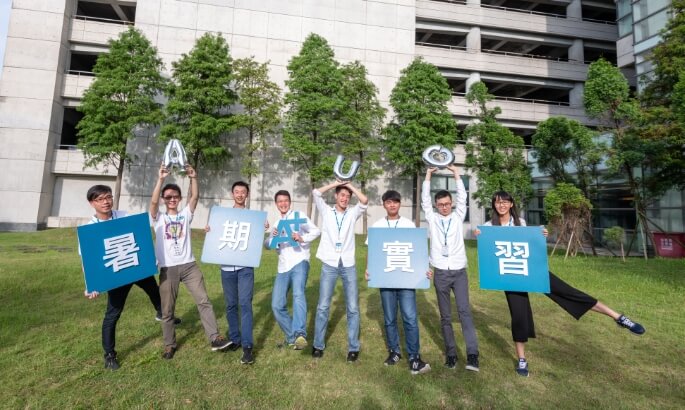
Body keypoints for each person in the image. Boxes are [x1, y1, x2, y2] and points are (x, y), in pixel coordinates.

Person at [475, 191, 646, 377]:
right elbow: (487, 251)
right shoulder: (488, 226)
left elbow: (530, 243)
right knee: (518, 315)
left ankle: (618, 317)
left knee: (567, 292)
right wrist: (479, 236)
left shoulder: (520, 223)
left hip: (531, 270)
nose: (501, 205)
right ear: (493, 205)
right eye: (497, 202)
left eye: (505, 202)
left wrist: (541, 234)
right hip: (510, 275)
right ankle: (522, 360)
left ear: (511, 204)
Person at [82, 185, 179, 370]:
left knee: (155, 291)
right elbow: (87, 261)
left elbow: (139, 236)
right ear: (91, 203)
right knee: (113, 314)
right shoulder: (89, 230)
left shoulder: (123, 216)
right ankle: (109, 354)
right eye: (100, 199)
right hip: (117, 274)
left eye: (108, 197)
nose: (105, 202)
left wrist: (150, 259)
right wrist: (91, 285)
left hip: (135, 267)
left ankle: (163, 314)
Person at [150, 163, 230, 359]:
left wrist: (193, 177)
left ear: (179, 199)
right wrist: (160, 179)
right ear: (164, 199)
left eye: (175, 197)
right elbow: (153, 203)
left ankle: (215, 338)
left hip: (189, 266)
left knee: (204, 301)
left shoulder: (185, 215)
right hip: (168, 269)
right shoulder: (158, 218)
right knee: (167, 310)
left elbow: (194, 197)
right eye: (168, 197)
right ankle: (169, 345)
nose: (172, 199)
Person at [364, 190, 431, 375]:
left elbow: (417, 249)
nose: (392, 205)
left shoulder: (408, 224)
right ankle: (394, 352)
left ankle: (414, 356)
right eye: (388, 202)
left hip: (406, 279)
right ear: (384, 205)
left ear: (400, 204)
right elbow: (372, 250)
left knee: (410, 317)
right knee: (389, 318)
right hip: (386, 278)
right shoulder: (378, 225)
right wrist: (368, 268)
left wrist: (424, 269)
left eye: (395, 202)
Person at [421, 165, 480, 372]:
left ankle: (472, 355)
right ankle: (451, 354)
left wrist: (456, 173)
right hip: (440, 272)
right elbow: (424, 200)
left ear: (451, 203)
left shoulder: (457, 216)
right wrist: (428, 174)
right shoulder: (432, 218)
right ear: (436, 205)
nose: (444, 207)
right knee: (445, 316)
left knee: (464, 312)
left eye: (447, 204)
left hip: (459, 271)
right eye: (441, 204)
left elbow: (463, 197)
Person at [311, 180, 368, 361]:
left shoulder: (352, 213)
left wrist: (349, 186)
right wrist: (336, 183)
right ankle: (318, 345)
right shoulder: (327, 211)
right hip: (329, 263)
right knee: (323, 306)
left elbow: (364, 200)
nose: (345, 198)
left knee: (353, 307)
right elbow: (316, 193)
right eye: (342, 195)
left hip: (348, 264)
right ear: (336, 196)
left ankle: (353, 347)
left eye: (347, 196)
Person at [215, 181, 268, 365]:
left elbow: (255, 241)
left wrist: (262, 227)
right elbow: (216, 237)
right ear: (232, 194)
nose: (239, 194)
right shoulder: (222, 216)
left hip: (245, 268)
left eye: (243, 192)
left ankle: (247, 346)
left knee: (245, 304)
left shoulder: (252, 218)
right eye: (236, 192)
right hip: (226, 268)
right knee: (231, 305)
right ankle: (235, 339)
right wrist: (210, 230)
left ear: (247, 194)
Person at [265, 190, 320, 350]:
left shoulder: (298, 216)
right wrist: (272, 237)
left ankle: (300, 333)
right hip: (283, 267)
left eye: (285, 200)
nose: (283, 203)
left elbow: (316, 231)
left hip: (300, 261)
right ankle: (292, 338)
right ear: (276, 204)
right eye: (280, 201)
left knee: (298, 294)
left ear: (290, 202)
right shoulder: (277, 224)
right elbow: (268, 245)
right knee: (276, 305)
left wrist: (302, 238)